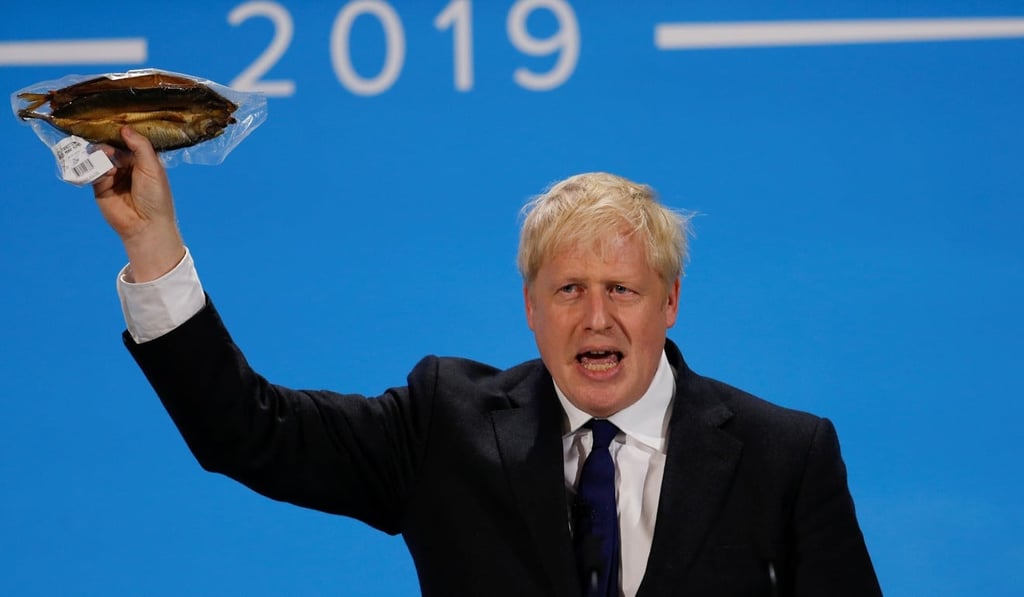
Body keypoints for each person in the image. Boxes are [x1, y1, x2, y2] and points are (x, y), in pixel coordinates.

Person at [93, 127, 882, 596]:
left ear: (670, 301)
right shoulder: (446, 423)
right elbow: (248, 432)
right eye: (568, 288)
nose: (596, 316)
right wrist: (154, 250)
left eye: (623, 289)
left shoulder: (786, 455)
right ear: (531, 307)